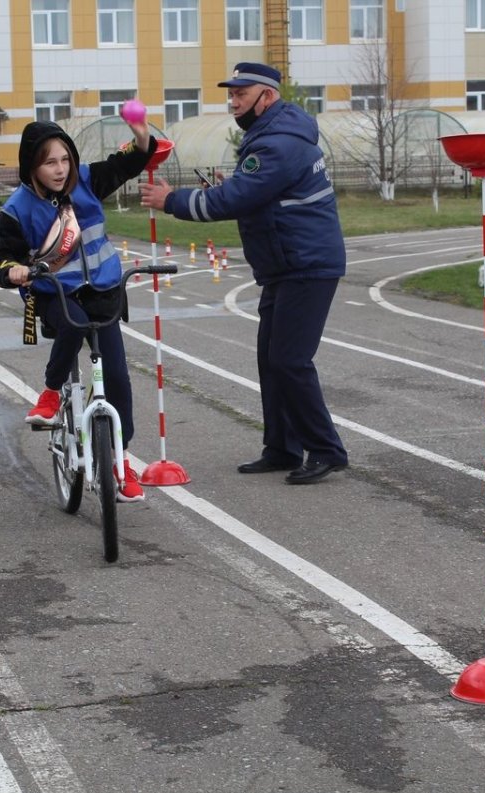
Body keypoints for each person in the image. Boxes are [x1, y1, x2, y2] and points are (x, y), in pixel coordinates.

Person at [139, 62, 348, 485]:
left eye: (241, 93)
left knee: (289, 360)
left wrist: (171, 200)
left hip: (306, 265)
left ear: (266, 97)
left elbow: (232, 200)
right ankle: (282, 448)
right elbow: (253, 192)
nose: (233, 102)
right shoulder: (271, 137)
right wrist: (230, 187)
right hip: (286, 266)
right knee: (271, 361)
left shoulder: (278, 145)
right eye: (231, 94)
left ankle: (326, 450)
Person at [0, 119, 154, 502]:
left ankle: (121, 460)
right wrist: (13, 271)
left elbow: (128, 162)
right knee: (74, 323)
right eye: (50, 163)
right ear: (32, 167)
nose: (60, 169)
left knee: (117, 377)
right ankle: (49, 393)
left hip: (103, 292)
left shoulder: (88, 182)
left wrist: (141, 136)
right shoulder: (17, 209)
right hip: (56, 296)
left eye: (65, 159)